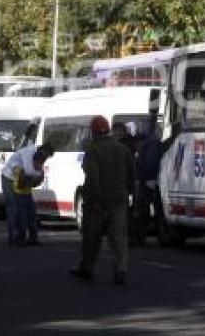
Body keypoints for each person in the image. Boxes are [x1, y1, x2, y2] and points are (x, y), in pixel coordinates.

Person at [70, 116, 136, 285]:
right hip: (119, 200)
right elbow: (132, 175)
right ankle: (121, 270)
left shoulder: (93, 149)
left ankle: (87, 268)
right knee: (119, 238)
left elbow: (92, 177)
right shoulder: (123, 149)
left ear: (93, 132)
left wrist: (92, 199)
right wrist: (128, 193)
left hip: (98, 202)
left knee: (92, 238)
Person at [1, 139, 54, 246]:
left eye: (46, 158)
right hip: (9, 178)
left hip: (23, 180)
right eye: (44, 157)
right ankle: (15, 237)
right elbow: (29, 172)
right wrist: (39, 173)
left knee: (30, 208)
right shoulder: (28, 153)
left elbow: (34, 178)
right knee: (15, 207)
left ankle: (32, 237)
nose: (44, 160)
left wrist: (39, 174)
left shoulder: (39, 157)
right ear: (40, 151)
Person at [133, 117, 164, 246]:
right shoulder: (151, 142)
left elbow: (148, 163)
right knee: (153, 209)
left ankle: (142, 236)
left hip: (148, 181)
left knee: (144, 210)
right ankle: (156, 234)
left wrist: (143, 179)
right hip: (151, 180)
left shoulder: (150, 143)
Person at [12, 148, 49, 245]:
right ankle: (20, 238)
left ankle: (33, 238)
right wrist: (34, 177)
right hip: (19, 193)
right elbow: (22, 182)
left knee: (32, 216)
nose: (39, 165)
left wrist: (38, 177)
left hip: (27, 194)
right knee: (22, 217)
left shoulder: (34, 167)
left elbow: (35, 183)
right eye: (38, 162)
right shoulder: (21, 167)